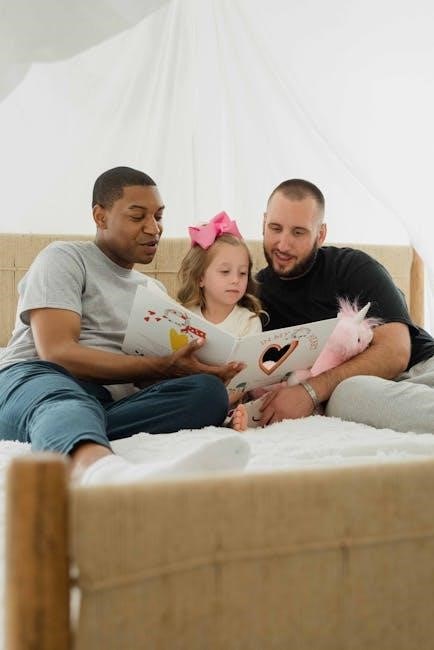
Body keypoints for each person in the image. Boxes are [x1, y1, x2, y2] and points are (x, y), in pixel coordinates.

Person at [0, 167, 251, 485]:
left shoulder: (154, 292)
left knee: (207, 393)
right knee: (68, 400)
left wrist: (202, 373)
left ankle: (70, 428)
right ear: (100, 216)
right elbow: (58, 353)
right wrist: (162, 366)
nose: (154, 228)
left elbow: (146, 377)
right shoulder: (65, 257)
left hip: (106, 400)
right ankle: (103, 473)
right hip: (37, 379)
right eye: (137, 217)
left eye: (159, 216)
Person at [256, 178, 434, 433]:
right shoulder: (253, 296)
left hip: (421, 368)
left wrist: (310, 391)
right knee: (345, 396)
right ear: (263, 223)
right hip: (364, 393)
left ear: (320, 234)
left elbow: (396, 352)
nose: (283, 244)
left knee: (345, 393)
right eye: (275, 228)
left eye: (298, 232)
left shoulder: (353, 267)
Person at [177, 211, 263, 431]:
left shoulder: (248, 321)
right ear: (200, 278)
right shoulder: (185, 316)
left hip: (229, 398)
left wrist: (220, 401)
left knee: (245, 405)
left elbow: (247, 379)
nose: (235, 280)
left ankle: (227, 419)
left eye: (242, 273)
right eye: (225, 271)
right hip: (188, 393)